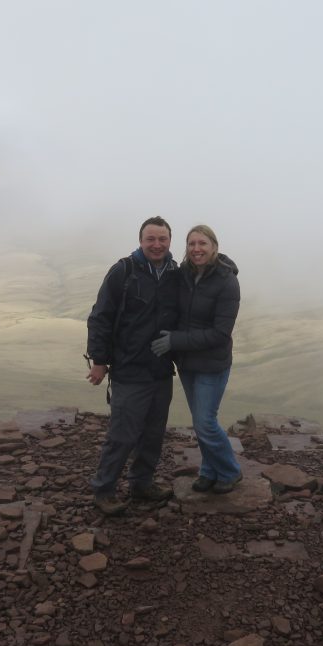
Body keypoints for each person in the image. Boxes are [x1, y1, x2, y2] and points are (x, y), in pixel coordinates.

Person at [86, 217, 181, 516]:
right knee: (123, 435)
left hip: (161, 369)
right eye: (150, 239)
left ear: (169, 241)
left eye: (162, 239)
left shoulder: (174, 273)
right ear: (140, 241)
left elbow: (207, 276)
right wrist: (99, 362)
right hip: (129, 368)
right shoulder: (123, 271)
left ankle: (142, 484)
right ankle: (104, 490)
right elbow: (100, 316)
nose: (157, 245)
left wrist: (227, 264)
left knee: (153, 433)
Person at [151, 225, 242, 494]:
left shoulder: (227, 281)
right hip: (188, 363)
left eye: (202, 243)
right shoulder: (184, 275)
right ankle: (208, 471)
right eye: (191, 244)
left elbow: (220, 333)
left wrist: (175, 340)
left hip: (212, 364)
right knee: (200, 421)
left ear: (214, 246)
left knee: (205, 422)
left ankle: (230, 471)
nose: (196, 249)